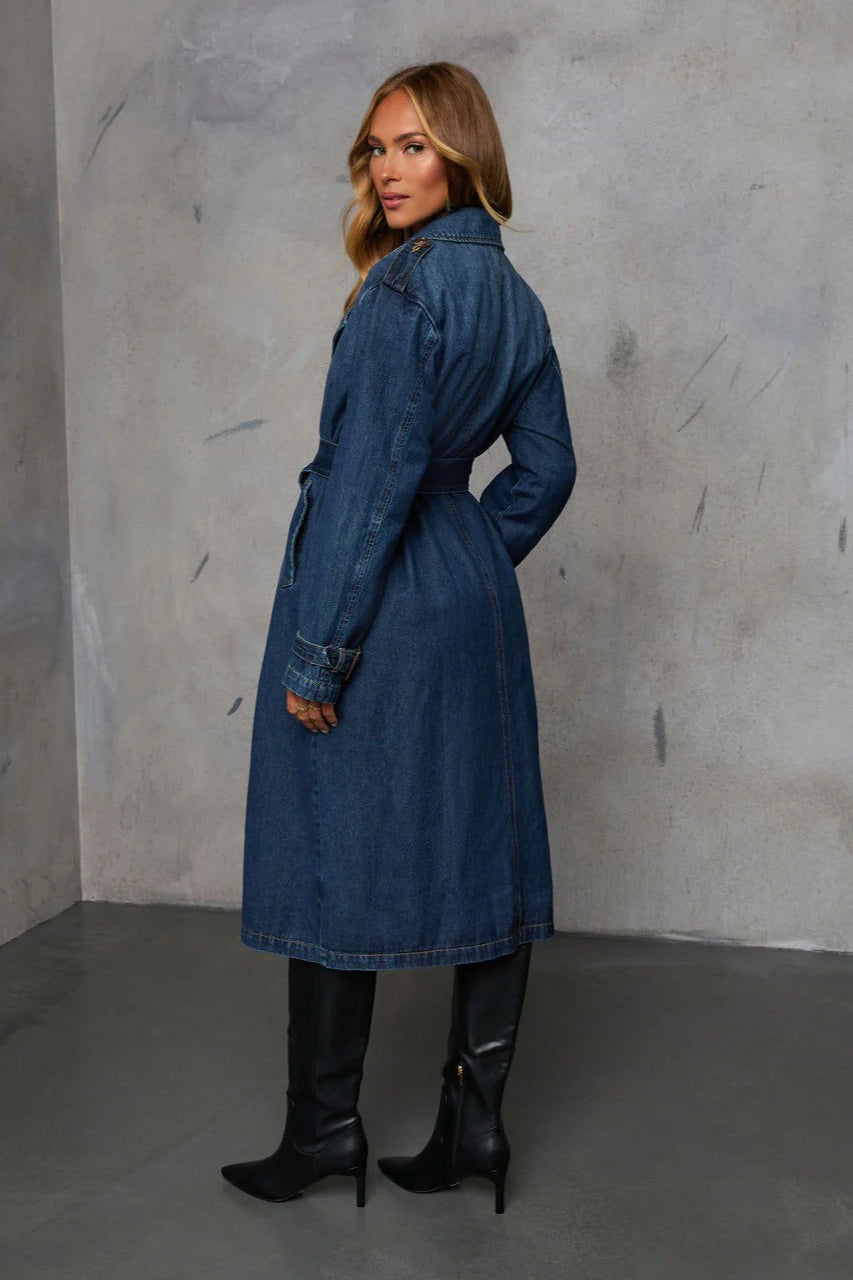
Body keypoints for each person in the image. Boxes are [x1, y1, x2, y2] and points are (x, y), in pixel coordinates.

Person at [221, 61, 576, 1215]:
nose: (387, 169)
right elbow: (548, 468)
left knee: (331, 842)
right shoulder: (512, 296)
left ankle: (323, 1130)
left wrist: (319, 653)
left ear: (462, 153)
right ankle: (474, 1127)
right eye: (376, 148)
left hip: (374, 601)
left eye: (414, 145)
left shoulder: (402, 294)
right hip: (468, 604)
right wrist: (463, 553)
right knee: (485, 843)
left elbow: (367, 490)